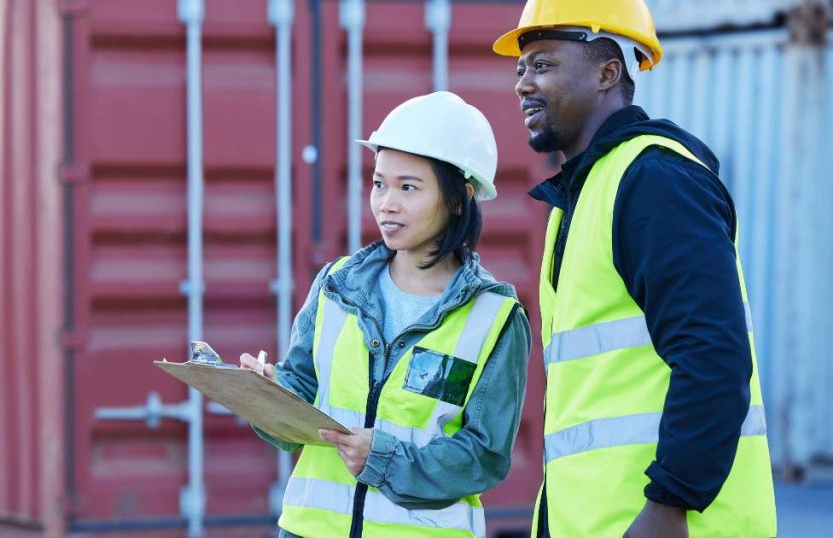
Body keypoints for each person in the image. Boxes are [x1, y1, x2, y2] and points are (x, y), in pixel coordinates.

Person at [491, 1, 778, 537]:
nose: (524, 84)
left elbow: (713, 355)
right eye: (521, 68)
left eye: (545, 64)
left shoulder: (654, 181)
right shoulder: (578, 199)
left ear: (607, 72)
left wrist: (670, 502)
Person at [239, 91, 531, 538]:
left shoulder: (495, 318)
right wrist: (264, 394)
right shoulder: (336, 286)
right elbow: (301, 397)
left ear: (459, 199)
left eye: (407, 187)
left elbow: (485, 457)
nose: (386, 203)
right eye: (379, 183)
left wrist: (386, 460)